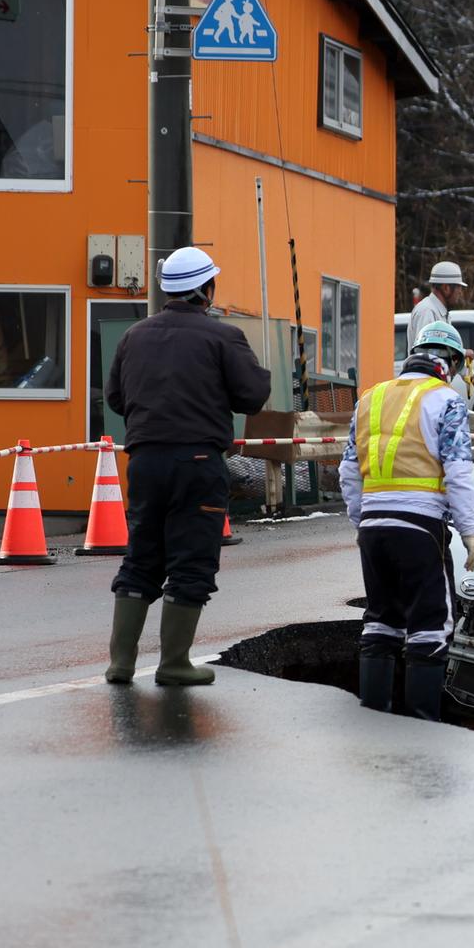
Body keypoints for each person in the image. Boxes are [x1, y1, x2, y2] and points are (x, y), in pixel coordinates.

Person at [103, 246, 272, 686]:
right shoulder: (222, 337)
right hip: (197, 462)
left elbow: (116, 399)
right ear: (205, 290)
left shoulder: (133, 336)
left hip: (144, 461)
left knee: (141, 557)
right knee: (192, 560)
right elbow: (252, 395)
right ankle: (173, 663)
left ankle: (120, 664)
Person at [339, 321, 474, 721]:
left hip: (373, 526)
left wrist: (361, 521)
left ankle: (375, 714)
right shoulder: (446, 400)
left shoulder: (371, 397)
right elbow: (458, 471)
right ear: (449, 362)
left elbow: (349, 471)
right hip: (420, 525)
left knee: (381, 619)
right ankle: (421, 724)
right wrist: (469, 532)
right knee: (431, 624)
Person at [409, 260, 474, 395]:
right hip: (425, 389)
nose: (460, 293)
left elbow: (447, 351)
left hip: (432, 387)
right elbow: (428, 350)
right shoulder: (427, 311)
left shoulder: (441, 313)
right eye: (458, 288)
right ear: (446, 288)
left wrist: (469, 375)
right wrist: (464, 353)